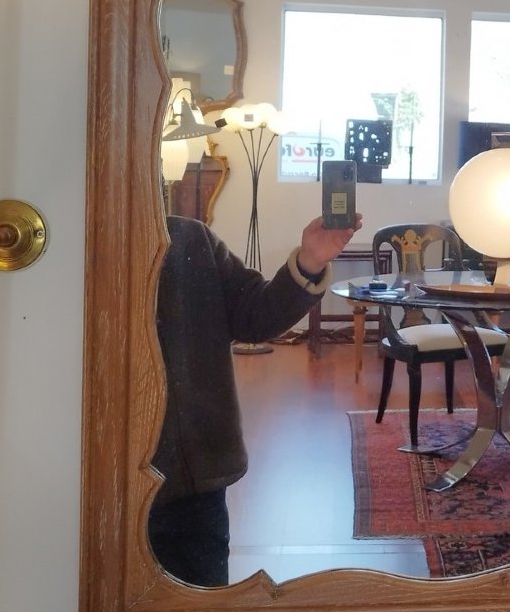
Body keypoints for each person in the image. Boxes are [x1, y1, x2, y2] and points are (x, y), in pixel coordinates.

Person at [147, 212, 361, 587]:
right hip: (89, 480)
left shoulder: (189, 238)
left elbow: (253, 317)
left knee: (200, 611)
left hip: (193, 475)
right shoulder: (66, 248)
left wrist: (310, 260)